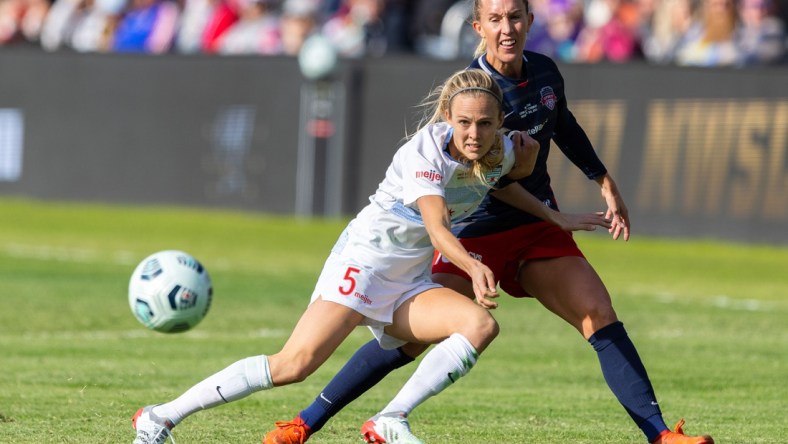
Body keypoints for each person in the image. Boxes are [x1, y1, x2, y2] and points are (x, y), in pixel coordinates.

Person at [263, 0, 716, 443]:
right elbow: (486, 180)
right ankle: (305, 423)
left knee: (598, 313)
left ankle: (661, 436)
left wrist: (602, 178)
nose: (507, 28)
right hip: (474, 232)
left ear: (530, 21)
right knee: (410, 341)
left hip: (536, 229)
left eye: (515, 17)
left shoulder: (545, 73)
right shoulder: (475, 94)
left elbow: (564, 125)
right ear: (478, 26)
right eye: (495, 19)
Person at [130, 68, 605, 444]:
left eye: (484, 123)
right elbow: (438, 228)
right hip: (364, 265)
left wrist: (553, 216)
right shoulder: (425, 153)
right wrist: (473, 264)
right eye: (463, 122)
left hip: (409, 278)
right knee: (294, 365)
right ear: (447, 116)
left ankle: (390, 418)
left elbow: (499, 182)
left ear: (500, 121)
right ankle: (159, 417)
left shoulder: (502, 150)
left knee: (480, 327)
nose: (474, 133)